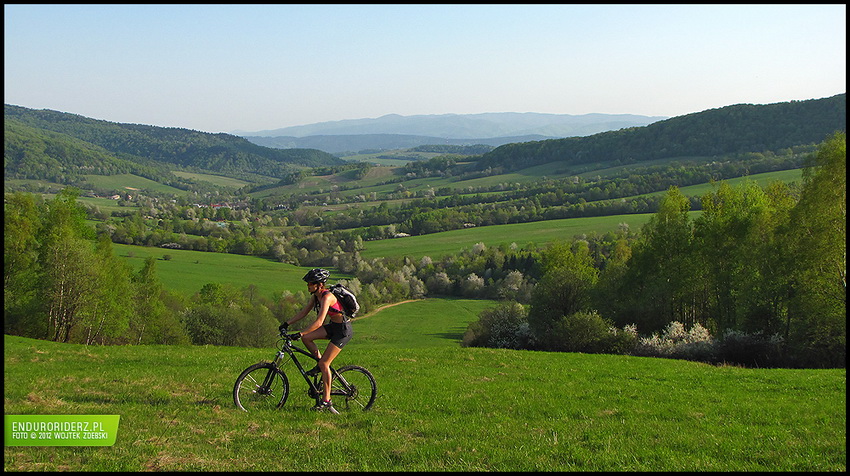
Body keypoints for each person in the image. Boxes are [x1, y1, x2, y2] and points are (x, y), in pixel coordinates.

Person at [279, 268, 352, 414]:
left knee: (325, 363)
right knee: (307, 339)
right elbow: (303, 312)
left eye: (310, 283)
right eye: (308, 283)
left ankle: (326, 401)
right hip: (333, 327)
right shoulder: (315, 297)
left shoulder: (327, 297)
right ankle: (319, 363)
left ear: (319, 284)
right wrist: (287, 323)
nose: (308, 286)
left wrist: (300, 333)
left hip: (343, 331)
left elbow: (319, 322)